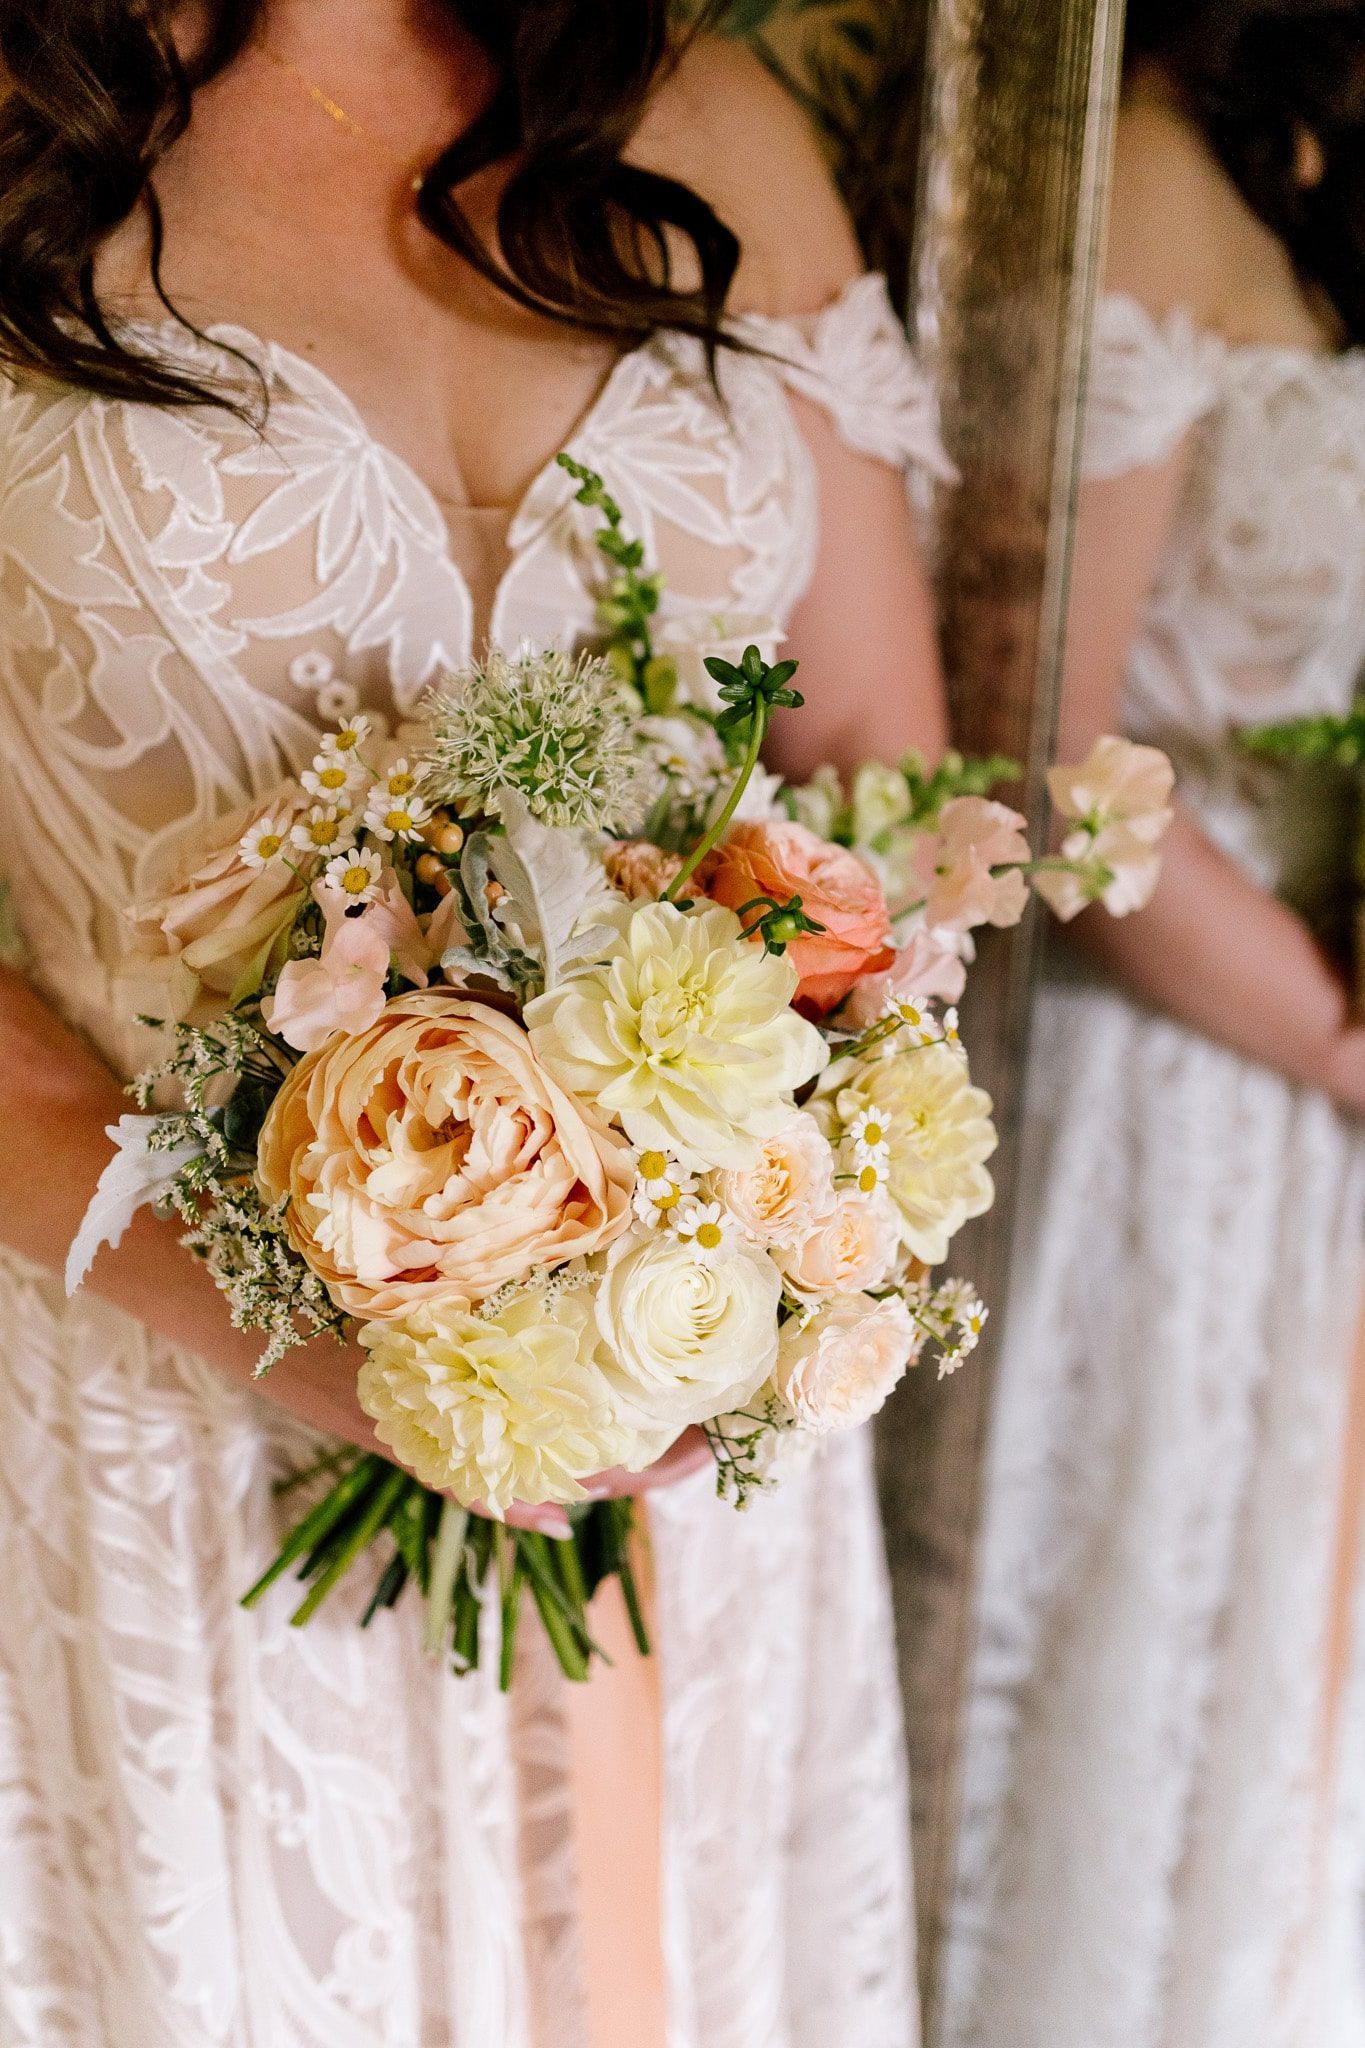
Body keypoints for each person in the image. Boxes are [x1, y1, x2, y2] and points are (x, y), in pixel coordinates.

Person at [0, 3, 951, 2042]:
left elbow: (877, 765)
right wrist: (311, 1328)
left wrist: (763, 1226)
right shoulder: (23, 120)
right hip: (162, 1399)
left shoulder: (701, 111)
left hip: (673, 1427)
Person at [943, 4, 1365, 2044]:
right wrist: (1333, 1042)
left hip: (1319, 1128)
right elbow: (1037, 744)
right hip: (1169, 1089)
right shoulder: (1173, 159)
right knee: (1124, 1712)